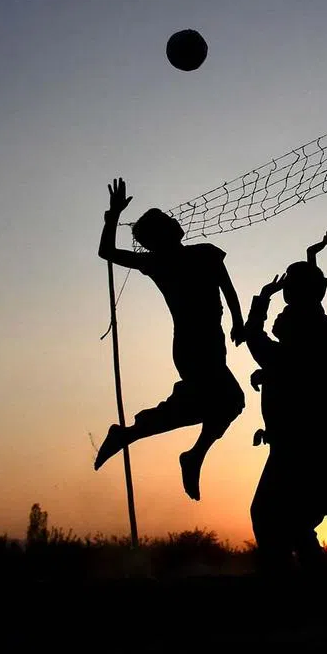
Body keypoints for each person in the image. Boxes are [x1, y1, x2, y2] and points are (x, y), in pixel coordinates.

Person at [93, 178, 245, 501]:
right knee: (228, 402)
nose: (175, 222)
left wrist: (238, 321)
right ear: (161, 236)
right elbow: (105, 251)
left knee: (210, 405)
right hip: (193, 348)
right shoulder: (159, 262)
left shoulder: (205, 254)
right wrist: (113, 216)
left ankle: (135, 437)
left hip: (210, 344)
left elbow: (228, 289)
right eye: (165, 222)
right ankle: (183, 454)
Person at [246, 234, 327, 568]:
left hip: (307, 450)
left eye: (291, 286)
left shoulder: (306, 328)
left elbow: (264, 347)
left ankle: (299, 585)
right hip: (324, 447)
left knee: (270, 516)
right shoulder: (318, 326)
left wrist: (261, 303)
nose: (286, 294)